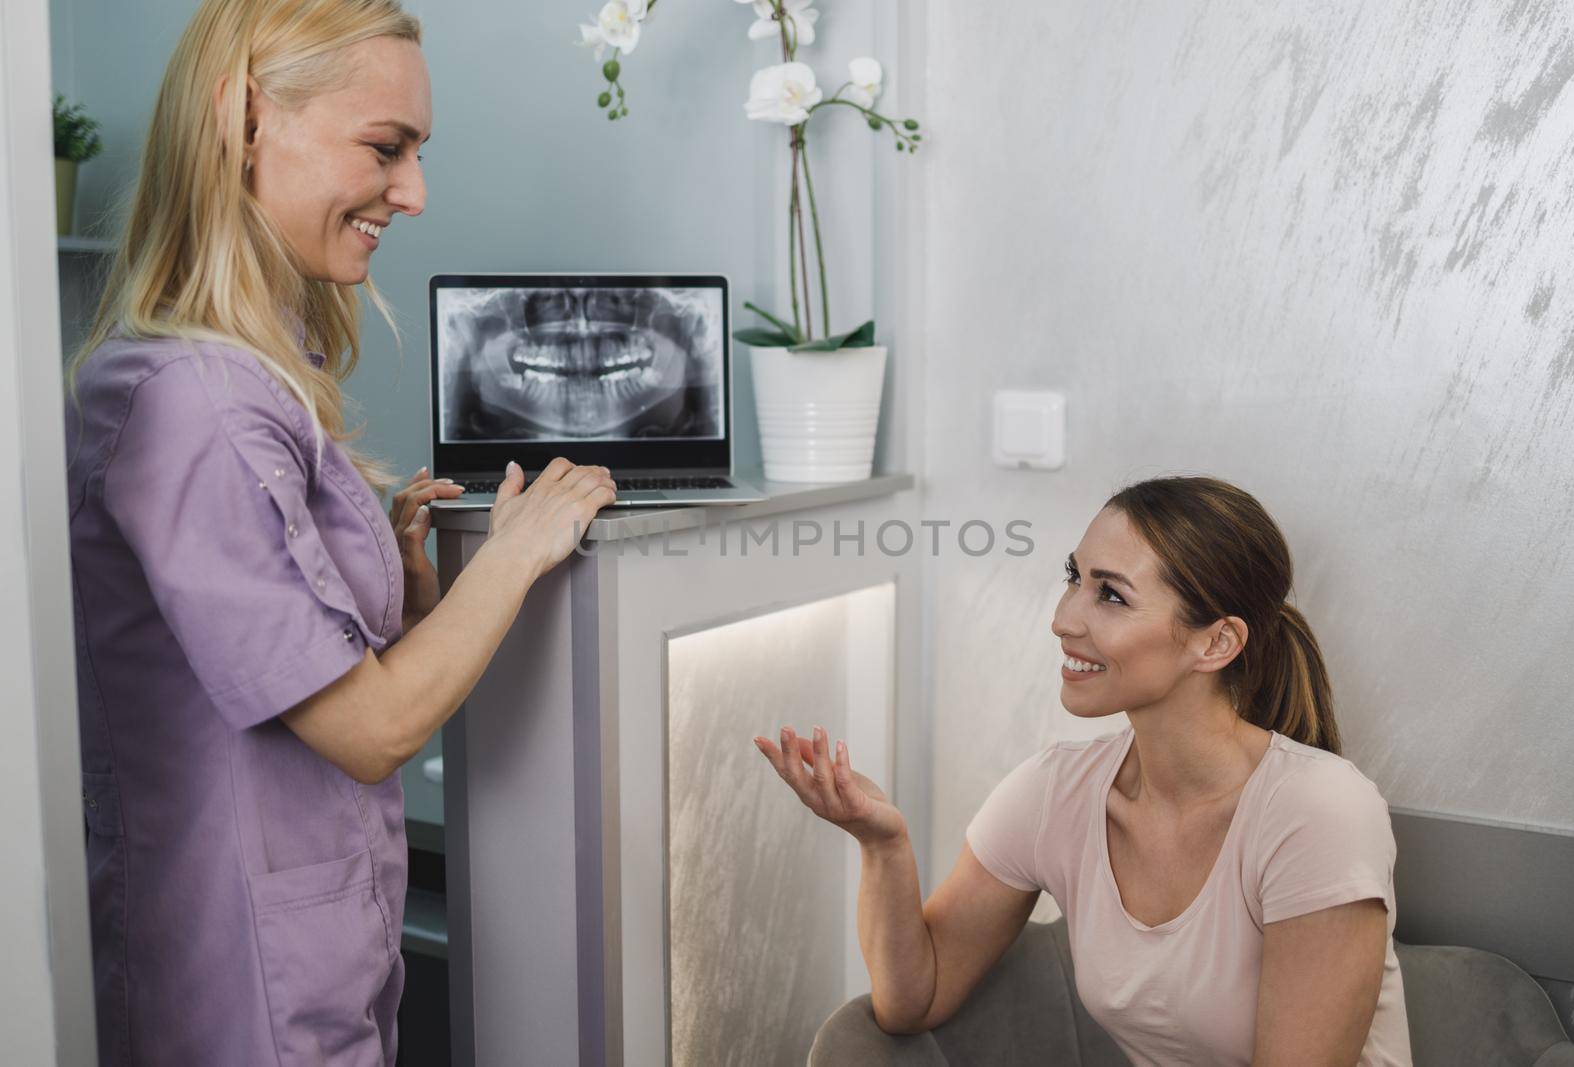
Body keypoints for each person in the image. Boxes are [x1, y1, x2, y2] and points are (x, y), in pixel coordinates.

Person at [63, 1, 615, 1062]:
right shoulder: (194, 402)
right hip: (234, 987)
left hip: (312, 960)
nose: (412, 193)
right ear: (245, 121)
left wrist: (403, 594)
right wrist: (516, 549)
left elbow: (284, 687)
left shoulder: (260, 384)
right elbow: (367, 728)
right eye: (385, 147)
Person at [755, 476, 1413, 1065]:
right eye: (1075, 577)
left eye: (1111, 596)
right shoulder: (1057, 794)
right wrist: (883, 843)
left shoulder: (1319, 813)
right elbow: (912, 1001)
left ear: (1216, 642)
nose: (1063, 618)